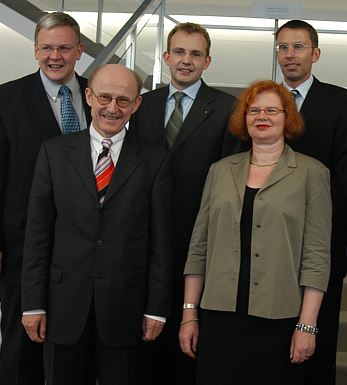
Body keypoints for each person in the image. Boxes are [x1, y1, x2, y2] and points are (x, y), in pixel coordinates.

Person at [21, 64, 172, 384]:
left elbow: (161, 242)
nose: (112, 108)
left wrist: (156, 308)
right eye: (104, 97)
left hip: (125, 310)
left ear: (136, 104)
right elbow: (38, 234)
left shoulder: (155, 160)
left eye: (123, 100)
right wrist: (33, 304)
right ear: (89, 96)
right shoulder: (54, 153)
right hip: (63, 306)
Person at [179, 80, 332, 384]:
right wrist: (189, 314)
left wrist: (307, 326)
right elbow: (199, 248)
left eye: (272, 110)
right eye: (254, 110)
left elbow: (316, 256)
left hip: (279, 318)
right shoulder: (220, 170)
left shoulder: (312, 173)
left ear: (288, 117)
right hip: (218, 315)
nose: (262, 116)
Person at [0, 12, 90, 385]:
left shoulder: (96, 94)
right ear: (35, 50)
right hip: (20, 246)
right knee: (21, 341)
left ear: (79, 51)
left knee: (70, 340)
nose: (56, 56)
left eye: (65, 48)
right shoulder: (4, 99)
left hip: (80, 246)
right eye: (48, 48)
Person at [128, 22, 244, 384]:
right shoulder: (142, 106)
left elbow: (232, 178)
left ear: (207, 61)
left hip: (198, 237)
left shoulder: (228, 108)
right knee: (145, 331)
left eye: (195, 54)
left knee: (189, 335)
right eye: (179, 52)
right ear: (166, 57)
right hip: (143, 234)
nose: (186, 60)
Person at [275, 19, 347, 385]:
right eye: (282, 47)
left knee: (317, 342)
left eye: (298, 47)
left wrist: (309, 219)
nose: (290, 55)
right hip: (271, 237)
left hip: (318, 237)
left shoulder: (343, 102)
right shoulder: (263, 100)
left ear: (316, 53)